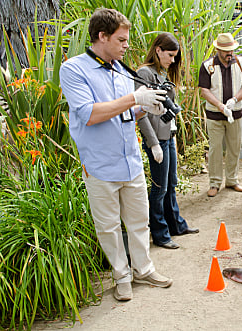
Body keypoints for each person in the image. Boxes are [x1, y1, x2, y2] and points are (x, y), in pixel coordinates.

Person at [59, 8, 172, 301]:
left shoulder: (121, 69)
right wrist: (134, 97)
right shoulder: (73, 69)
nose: (126, 46)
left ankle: (143, 270)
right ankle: (122, 276)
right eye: (121, 40)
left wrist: (143, 108)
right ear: (102, 36)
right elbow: (90, 115)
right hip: (99, 165)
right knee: (108, 227)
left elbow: (122, 114)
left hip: (130, 161)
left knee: (139, 221)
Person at [136, 32, 199, 250]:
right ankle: (160, 233)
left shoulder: (161, 73)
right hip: (158, 139)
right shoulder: (144, 72)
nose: (172, 60)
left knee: (171, 184)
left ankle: (176, 225)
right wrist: (152, 143)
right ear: (158, 50)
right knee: (159, 188)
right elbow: (140, 113)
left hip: (168, 136)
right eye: (170, 55)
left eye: (175, 57)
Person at [198, 33, 242, 197]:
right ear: (217, 49)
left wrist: (235, 99)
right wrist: (220, 105)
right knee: (215, 149)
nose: (229, 53)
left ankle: (232, 180)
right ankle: (215, 183)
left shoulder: (241, 63)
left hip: (235, 114)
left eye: (231, 50)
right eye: (225, 51)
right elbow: (204, 90)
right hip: (215, 115)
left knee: (234, 148)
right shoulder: (208, 65)